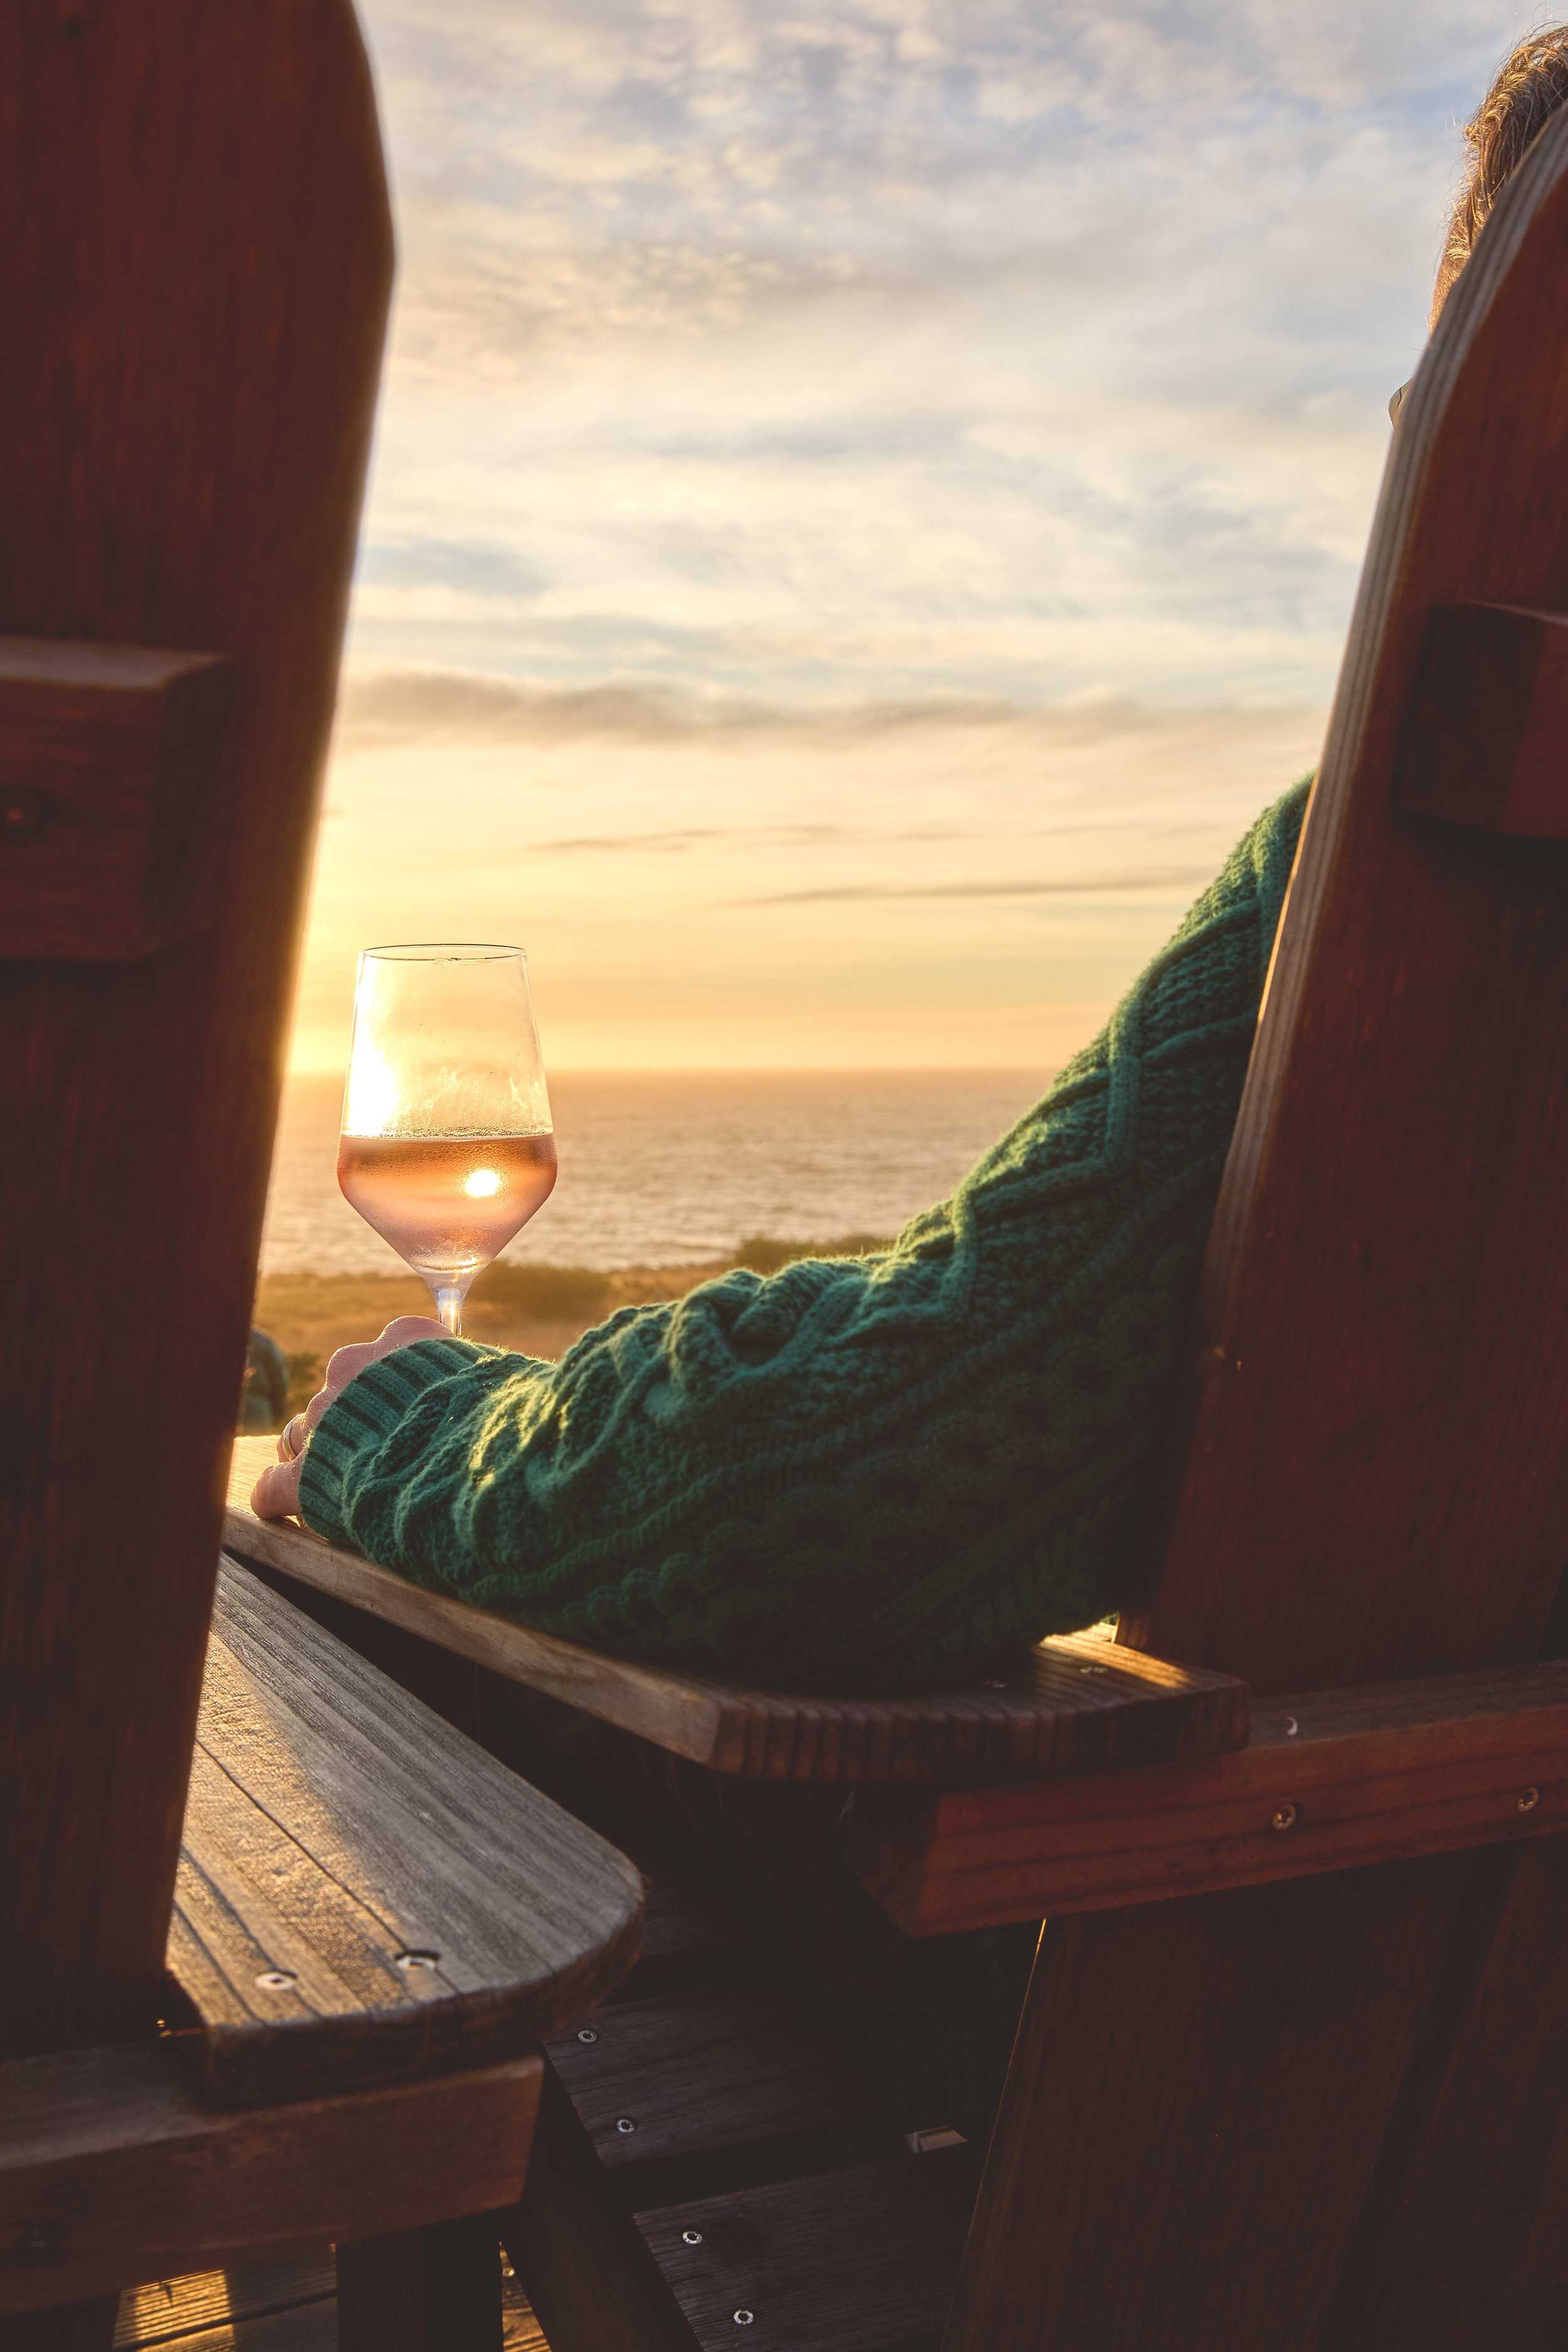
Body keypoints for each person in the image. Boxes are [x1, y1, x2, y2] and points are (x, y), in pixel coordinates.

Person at [255, 26, 1568, 1694]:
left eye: (1444, 379)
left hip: (1269, 1925)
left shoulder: (1440, 855)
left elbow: (828, 1485)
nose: (1398, 425)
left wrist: (410, 1429)